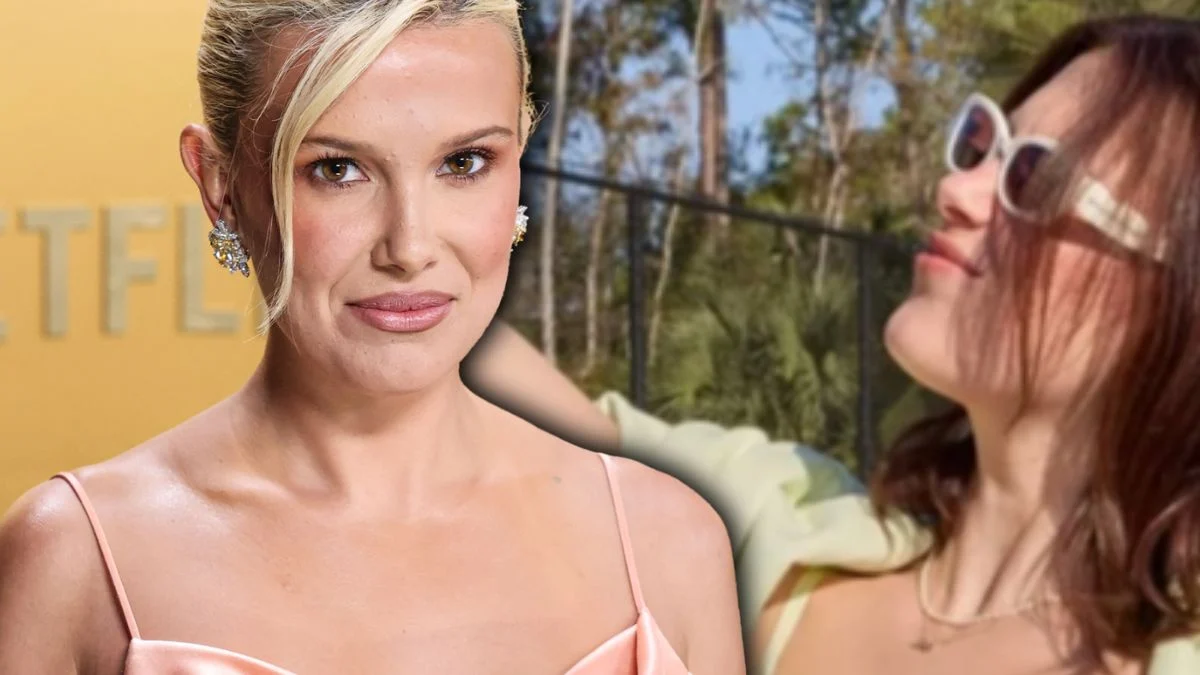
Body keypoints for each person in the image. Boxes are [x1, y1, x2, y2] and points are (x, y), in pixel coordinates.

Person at [0, 2, 745, 674]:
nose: (409, 247)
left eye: (464, 163)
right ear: (221, 185)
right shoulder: (76, 560)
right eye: (338, 169)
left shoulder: (668, 544)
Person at [465, 14, 1200, 675]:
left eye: (1039, 179)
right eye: (982, 145)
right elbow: (535, 412)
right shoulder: (777, 519)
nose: (957, 190)